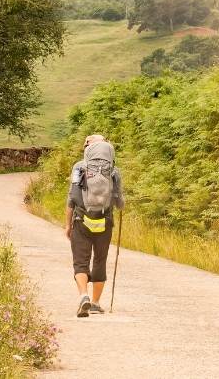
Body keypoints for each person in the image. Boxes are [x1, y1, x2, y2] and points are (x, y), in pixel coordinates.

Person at [65, 134, 125, 318]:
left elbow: (72, 198)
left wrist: (68, 225)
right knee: (100, 260)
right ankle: (96, 303)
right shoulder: (113, 171)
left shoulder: (79, 167)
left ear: (88, 149)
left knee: (81, 261)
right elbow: (119, 202)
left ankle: (84, 296)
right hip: (104, 221)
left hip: (81, 220)